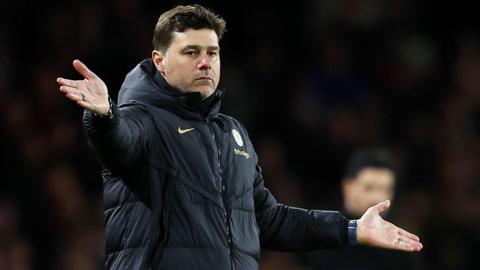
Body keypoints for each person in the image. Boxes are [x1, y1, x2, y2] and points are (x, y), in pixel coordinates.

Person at [56, 4, 422, 270]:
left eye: (212, 53)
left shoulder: (232, 133)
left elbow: (270, 221)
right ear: (159, 60)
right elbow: (119, 140)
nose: (205, 62)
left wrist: (352, 229)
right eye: (191, 52)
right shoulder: (143, 119)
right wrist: (104, 115)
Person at [309, 147, 419, 269]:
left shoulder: (400, 246)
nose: (377, 198)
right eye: (369, 187)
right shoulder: (320, 235)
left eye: (386, 189)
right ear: (347, 186)